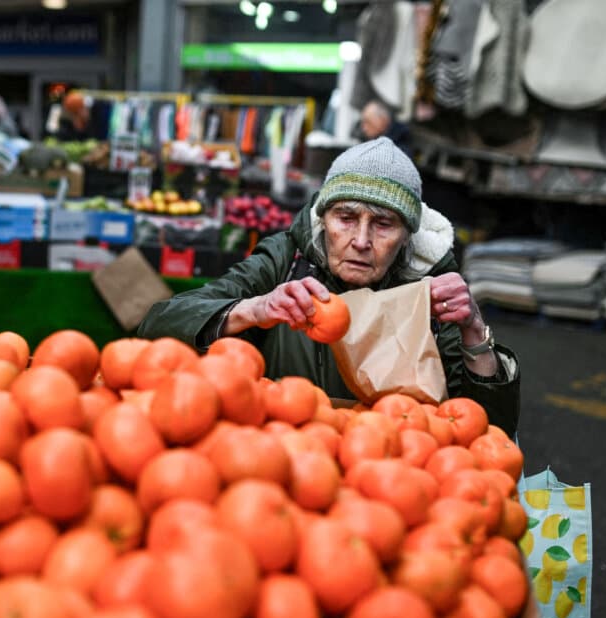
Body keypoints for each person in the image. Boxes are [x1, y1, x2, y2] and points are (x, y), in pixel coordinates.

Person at [138, 137, 520, 436]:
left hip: (391, 472)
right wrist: (255, 309)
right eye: (346, 217)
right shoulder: (285, 262)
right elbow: (157, 326)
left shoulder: (431, 291)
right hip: (282, 455)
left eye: (384, 224)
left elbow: (488, 431)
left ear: (407, 235)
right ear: (324, 218)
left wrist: (474, 333)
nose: (361, 240)